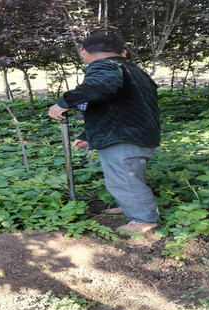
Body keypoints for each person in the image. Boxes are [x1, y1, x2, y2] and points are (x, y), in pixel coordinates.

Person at [48, 33, 161, 237]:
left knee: (124, 179)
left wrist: (63, 102)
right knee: (127, 176)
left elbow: (100, 87)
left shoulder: (105, 66)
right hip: (138, 132)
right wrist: (88, 134)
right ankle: (129, 207)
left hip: (123, 135)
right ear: (123, 52)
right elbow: (115, 105)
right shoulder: (134, 71)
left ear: (83, 51)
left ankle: (144, 219)